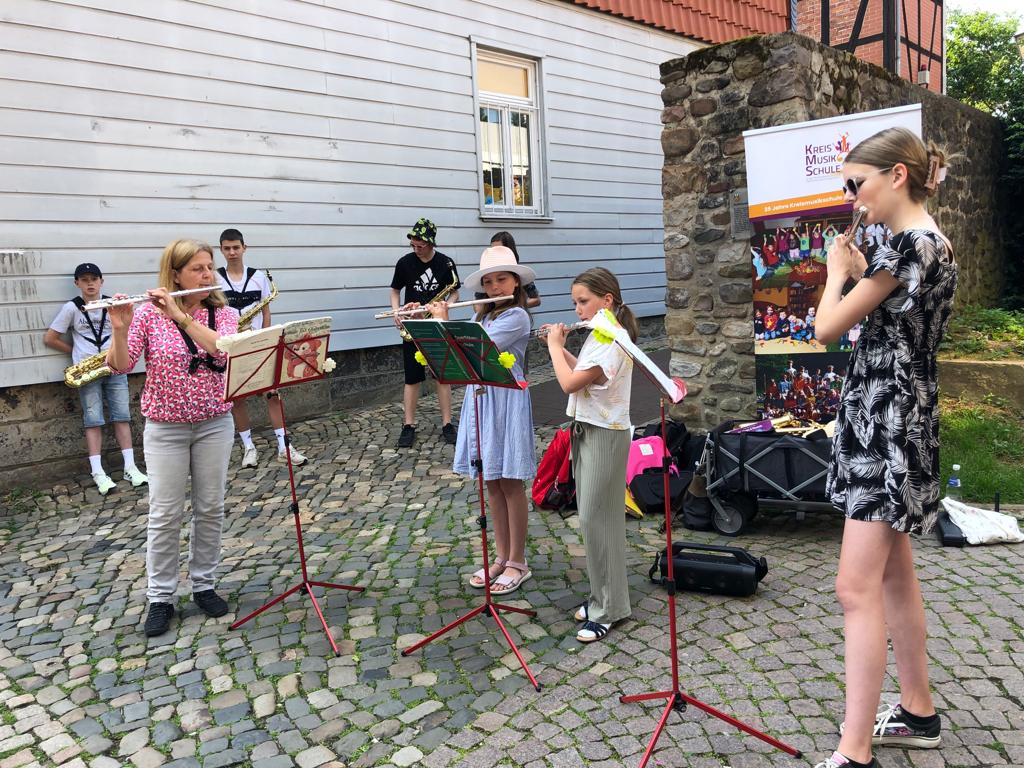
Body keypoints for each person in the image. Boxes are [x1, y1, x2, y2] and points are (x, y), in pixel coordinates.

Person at [813, 127, 957, 768]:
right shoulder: (931, 242)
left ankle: (855, 749)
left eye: (857, 183)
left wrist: (836, 273)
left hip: (888, 426)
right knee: (894, 576)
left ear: (898, 175)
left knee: (855, 588)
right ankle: (919, 709)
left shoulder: (907, 246)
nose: (852, 197)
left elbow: (825, 329)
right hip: (900, 417)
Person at [107, 240, 239, 638]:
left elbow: (221, 351)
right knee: (165, 514)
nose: (207, 275)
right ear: (175, 274)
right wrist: (120, 327)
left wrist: (181, 316)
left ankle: (203, 584)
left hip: (215, 422)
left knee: (210, 507)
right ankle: (160, 597)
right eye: (197, 268)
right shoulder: (147, 315)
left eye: (209, 267)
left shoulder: (225, 314)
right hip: (165, 428)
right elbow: (120, 365)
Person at [428, 246, 536, 596]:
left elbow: (477, 349)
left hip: (505, 399)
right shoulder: (484, 316)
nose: (493, 287)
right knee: (491, 480)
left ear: (515, 281)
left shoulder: (516, 315)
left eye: (501, 279)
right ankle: (501, 556)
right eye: (488, 282)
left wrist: (443, 321)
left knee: (510, 482)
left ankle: (518, 560)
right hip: (482, 400)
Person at [542, 267, 638, 644]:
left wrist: (551, 347)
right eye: (575, 303)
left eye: (583, 302)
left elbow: (567, 382)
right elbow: (580, 371)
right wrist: (563, 345)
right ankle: (605, 597)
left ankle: (608, 609)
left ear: (607, 300)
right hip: (590, 430)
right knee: (594, 521)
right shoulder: (599, 335)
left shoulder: (612, 338)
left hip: (606, 435)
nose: (578, 310)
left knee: (599, 522)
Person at [44, 263, 148, 494]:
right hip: (88, 370)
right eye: (84, 279)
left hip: (115, 368)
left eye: (94, 279)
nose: (90, 283)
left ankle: (130, 467)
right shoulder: (72, 308)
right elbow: (50, 338)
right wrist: (76, 354)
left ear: (102, 281)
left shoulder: (113, 305)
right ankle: (98, 471)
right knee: (93, 419)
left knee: (122, 416)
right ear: (77, 283)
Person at [216, 228, 307, 468]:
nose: (232, 252)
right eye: (227, 248)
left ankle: (283, 445)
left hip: (258, 344)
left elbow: (266, 310)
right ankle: (248, 447)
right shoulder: (215, 279)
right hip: (232, 346)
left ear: (244, 248)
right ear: (221, 250)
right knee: (238, 400)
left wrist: (265, 338)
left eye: (236, 247)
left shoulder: (258, 277)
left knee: (273, 394)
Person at [389, 218, 460, 448]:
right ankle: (408, 425)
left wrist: (445, 307)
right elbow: (395, 290)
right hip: (412, 324)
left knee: (442, 374)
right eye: (413, 245)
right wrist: (396, 312)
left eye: (421, 246)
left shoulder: (446, 264)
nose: (416, 250)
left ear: (431, 244)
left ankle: (447, 424)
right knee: (412, 377)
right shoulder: (404, 263)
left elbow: (455, 293)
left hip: (436, 324)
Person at [478, 232, 541, 309]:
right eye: (493, 249)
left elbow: (536, 299)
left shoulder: (518, 272)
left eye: (501, 279)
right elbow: (477, 303)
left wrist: (512, 307)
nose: (494, 287)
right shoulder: (487, 273)